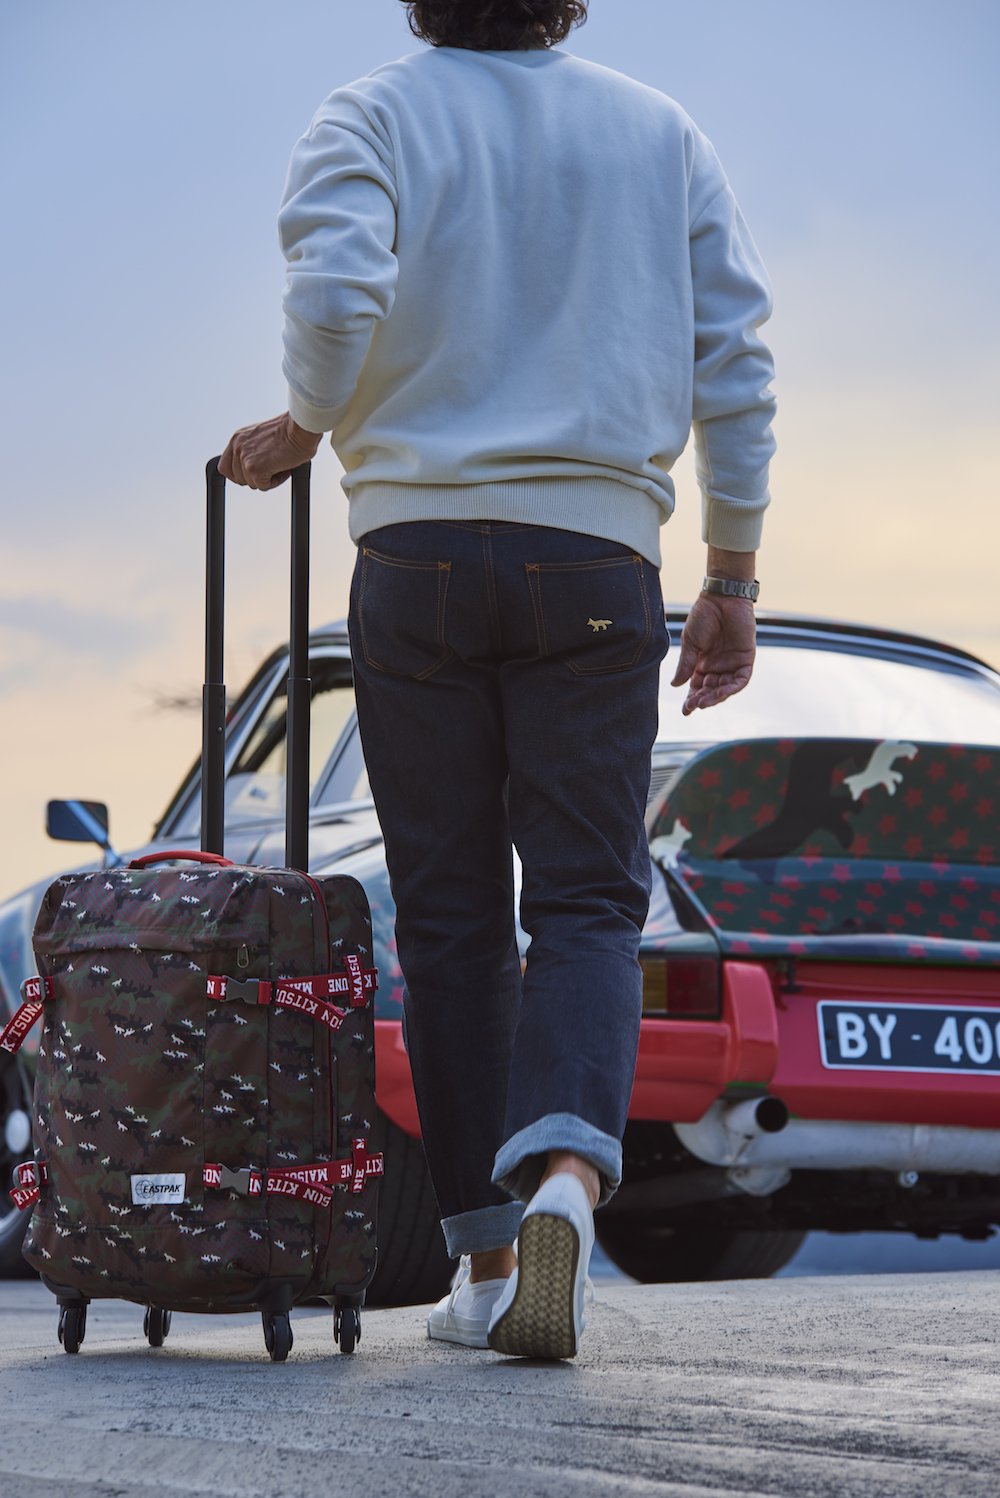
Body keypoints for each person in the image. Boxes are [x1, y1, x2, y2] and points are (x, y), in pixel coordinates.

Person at [221, 0, 775, 1360]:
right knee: (588, 898)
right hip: (595, 558)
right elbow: (735, 359)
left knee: (452, 915)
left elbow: (335, 297)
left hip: (412, 557)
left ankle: (480, 1265)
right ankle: (568, 1182)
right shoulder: (661, 132)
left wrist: (305, 424)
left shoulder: (370, 113)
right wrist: (731, 568)